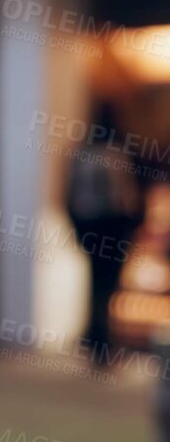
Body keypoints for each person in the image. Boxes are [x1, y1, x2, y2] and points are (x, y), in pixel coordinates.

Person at [64, 104, 144, 372]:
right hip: (112, 227)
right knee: (108, 285)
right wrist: (132, 227)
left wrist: (77, 228)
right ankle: (102, 340)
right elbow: (128, 198)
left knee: (97, 283)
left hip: (91, 226)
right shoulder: (118, 154)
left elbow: (71, 195)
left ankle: (97, 337)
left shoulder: (83, 154)